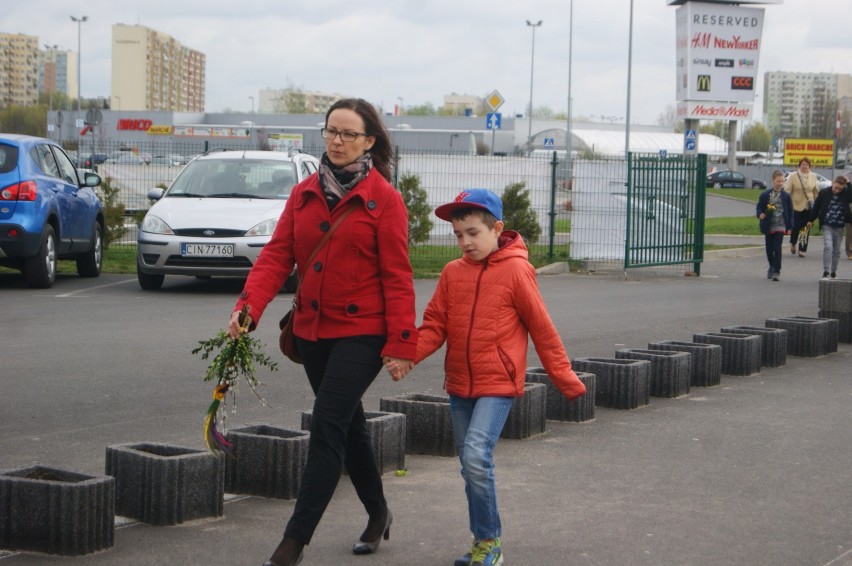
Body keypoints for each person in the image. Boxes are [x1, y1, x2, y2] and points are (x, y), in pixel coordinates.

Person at [226, 98, 418, 566]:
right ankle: (378, 513)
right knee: (347, 426)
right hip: (312, 331)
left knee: (327, 426)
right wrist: (248, 309)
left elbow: (398, 276)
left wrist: (401, 344)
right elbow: (277, 255)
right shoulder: (304, 193)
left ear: (369, 141)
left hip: (363, 332)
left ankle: (293, 543)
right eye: (331, 131)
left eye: (348, 134)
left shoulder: (385, 201)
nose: (336, 141)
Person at [386, 189, 587, 566]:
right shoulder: (452, 273)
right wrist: (407, 356)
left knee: (477, 457)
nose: (465, 242)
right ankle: (482, 539)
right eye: (458, 234)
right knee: (470, 463)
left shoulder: (516, 270)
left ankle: (490, 543)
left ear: (497, 228)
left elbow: (542, 328)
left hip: (498, 384)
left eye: (473, 233)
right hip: (460, 384)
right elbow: (434, 326)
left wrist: (565, 378)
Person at [807, 175, 852, 279]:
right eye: (835, 187)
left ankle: (833, 272)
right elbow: (817, 207)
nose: (836, 190)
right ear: (832, 183)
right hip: (827, 225)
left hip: (839, 226)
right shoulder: (824, 193)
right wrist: (810, 220)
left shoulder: (845, 193)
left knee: (836, 250)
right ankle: (826, 271)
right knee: (828, 247)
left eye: (840, 189)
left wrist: (849, 184)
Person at [756, 170, 794, 281]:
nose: (781, 183)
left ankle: (777, 270)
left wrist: (790, 227)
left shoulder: (786, 196)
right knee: (769, 250)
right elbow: (759, 207)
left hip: (780, 226)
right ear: (773, 181)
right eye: (778, 181)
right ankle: (771, 266)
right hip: (769, 226)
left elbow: (791, 212)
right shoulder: (765, 195)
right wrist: (760, 214)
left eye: (783, 181)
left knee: (777, 249)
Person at [783, 157, 819, 257]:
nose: (804, 166)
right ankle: (793, 243)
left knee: (805, 228)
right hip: (796, 205)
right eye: (803, 164)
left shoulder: (813, 176)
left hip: (809, 206)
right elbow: (787, 190)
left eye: (806, 165)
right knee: (795, 227)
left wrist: (818, 203)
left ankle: (802, 249)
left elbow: (815, 191)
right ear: (799, 165)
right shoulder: (793, 176)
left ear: (809, 166)